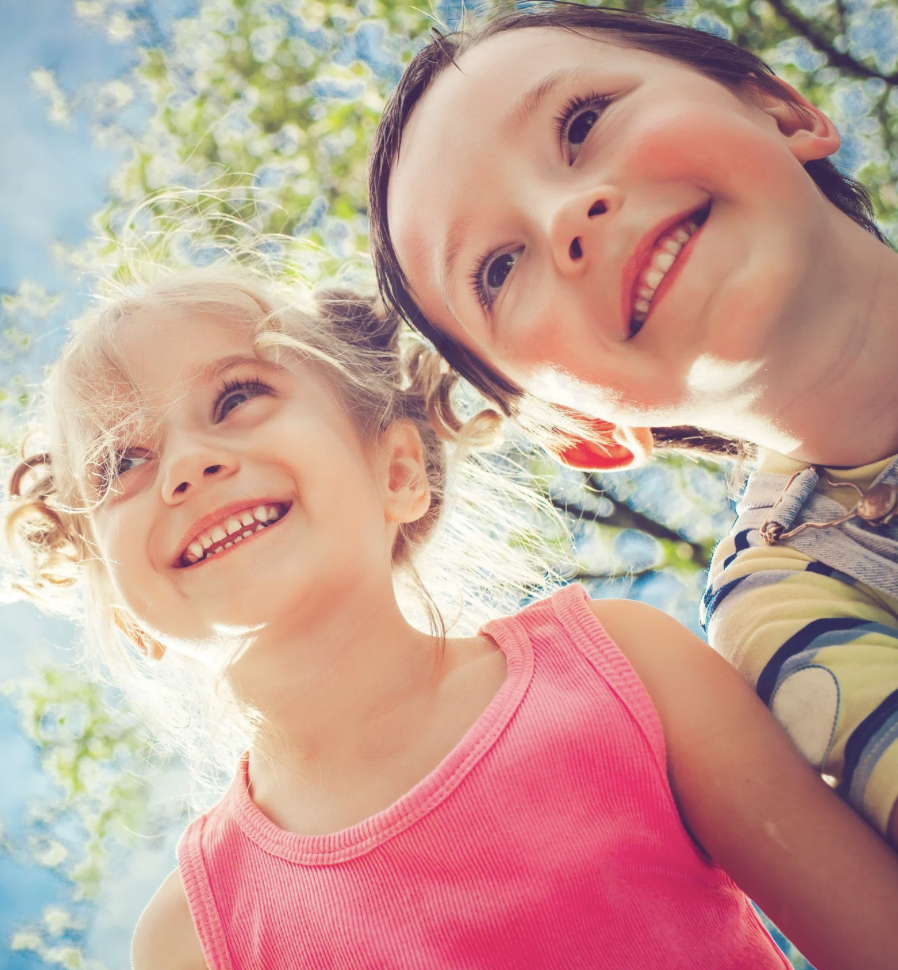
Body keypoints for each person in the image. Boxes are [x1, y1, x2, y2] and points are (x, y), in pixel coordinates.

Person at [7, 261, 898, 970]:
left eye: (237, 398)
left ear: (398, 471)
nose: (188, 465)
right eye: (121, 461)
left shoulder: (622, 669)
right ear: (124, 613)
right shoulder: (191, 941)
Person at [368, 1, 898, 847]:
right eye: (498, 269)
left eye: (583, 120)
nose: (565, 216)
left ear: (780, 109)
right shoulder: (786, 611)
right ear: (578, 428)